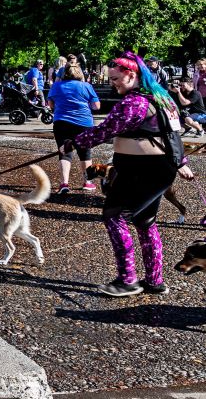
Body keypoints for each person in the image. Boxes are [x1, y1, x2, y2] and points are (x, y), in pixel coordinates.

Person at [63, 52, 195, 297]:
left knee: (115, 216)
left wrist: (72, 143)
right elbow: (173, 133)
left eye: (115, 78)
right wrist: (181, 161)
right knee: (145, 221)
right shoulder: (162, 97)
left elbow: (104, 131)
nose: (112, 83)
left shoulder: (134, 103)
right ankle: (154, 280)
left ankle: (128, 280)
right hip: (156, 170)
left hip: (142, 171)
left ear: (132, 75)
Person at [47, 64, 100, 194]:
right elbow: (96, 106)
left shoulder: (56, 86)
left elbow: (50, 104)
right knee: (85, 152)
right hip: (84, 123)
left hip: (62, 122)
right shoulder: (86, 86)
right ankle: (87, 182)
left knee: (65, 152)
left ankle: (64, 183)